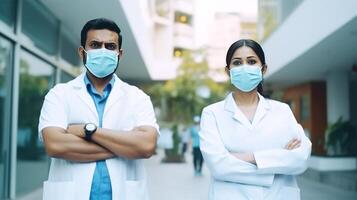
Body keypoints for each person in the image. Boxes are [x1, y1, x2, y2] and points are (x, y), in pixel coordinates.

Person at [38, 18, 159, 200]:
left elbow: (146, 145)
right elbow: (55, 145)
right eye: (95, 45)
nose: (103, 51)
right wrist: (124, 146)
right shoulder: (59, 94)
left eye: (110, 46)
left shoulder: (137, 97)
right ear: (82, 52)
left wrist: (88, 131)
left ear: (120, 53)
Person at [199, 39, 311, 200]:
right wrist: (277, 161)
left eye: (251, 61)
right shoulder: (212, 113)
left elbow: (301, 159)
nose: (244, 67)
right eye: (237, 63)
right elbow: (219, 167)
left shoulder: (282, 110)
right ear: (228, 71)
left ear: (263, 69)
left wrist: (248, 157)